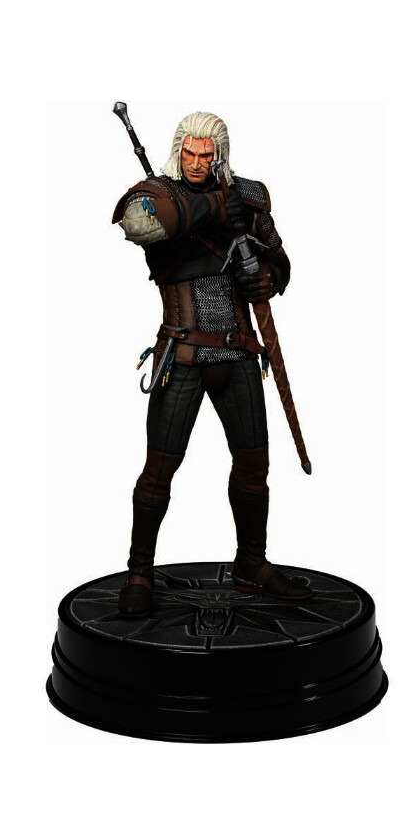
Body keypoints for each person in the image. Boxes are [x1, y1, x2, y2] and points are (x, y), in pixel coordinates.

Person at [111, 111, 312, 617]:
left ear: (220, 155)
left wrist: (268, 277)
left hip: (239, 351)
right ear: (178, 149)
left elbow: (279, 256)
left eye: (207, 155)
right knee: (159, 471)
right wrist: (218, 206)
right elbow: (139, 225)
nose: (197, 162)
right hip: (181, 355)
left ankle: (251, 564)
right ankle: (139, 572)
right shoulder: (157, 196)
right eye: (189, 153)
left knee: (254, 467)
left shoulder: (249, 197)